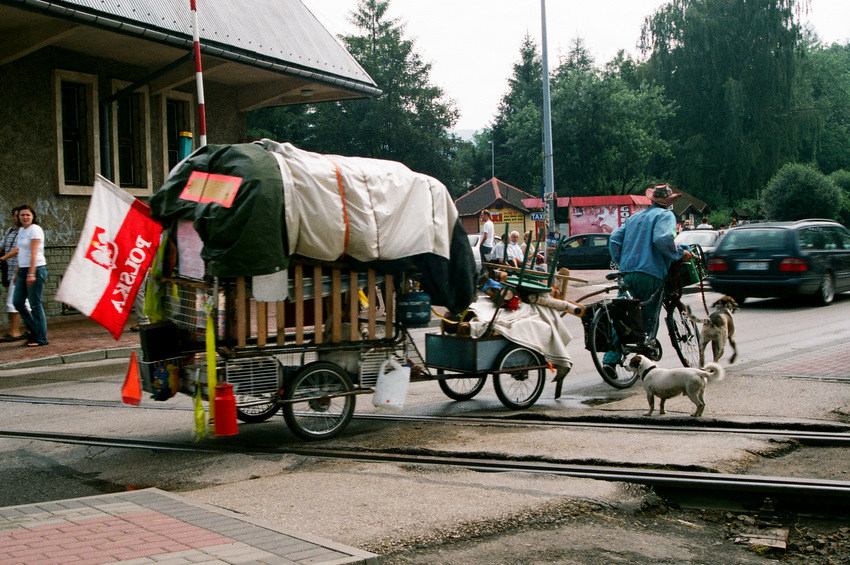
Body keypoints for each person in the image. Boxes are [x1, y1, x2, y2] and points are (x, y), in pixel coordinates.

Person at [607, 184, 692, 369]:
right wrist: (678, 253)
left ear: (652, 200)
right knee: (647, 318)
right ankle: (644, 359)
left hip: (627, 273)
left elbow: (614, 239)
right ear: (668, 203)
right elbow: (662, 239)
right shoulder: (665, 215)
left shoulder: (634, 217)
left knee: (622, 315)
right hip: (650, 273)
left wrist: (622, 261)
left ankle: (610, 361)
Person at [12, 204, 48, 347]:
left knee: (35, 304)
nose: (25, 217)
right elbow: (22, 253)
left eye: (28, 215)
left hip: (36, 269)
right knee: (18, 302)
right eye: (22, 215)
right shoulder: (21, 231)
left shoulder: (35, 229)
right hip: (23, 270)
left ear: (33, 216)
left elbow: (33, 253)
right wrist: (17, 273)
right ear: (18, 217)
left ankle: (41, 338)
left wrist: (31, 273)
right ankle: (34, 330)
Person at [1, 206, 29, 341]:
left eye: (22, 215)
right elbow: (2, 246)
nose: (19, 218)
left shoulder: (25, 231)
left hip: (22, 270)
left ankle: (15, 331)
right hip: (12, 270)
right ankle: (31, 329)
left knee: (13, 302)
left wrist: (2, 259)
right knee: (24, 302)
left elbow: (18, 249)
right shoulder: (10, 230)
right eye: (17, 215)